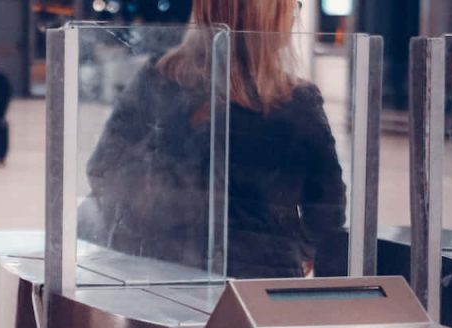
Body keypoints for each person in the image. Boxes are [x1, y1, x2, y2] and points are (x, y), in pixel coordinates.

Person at [82, 0, 346, 279]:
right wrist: (296, 251)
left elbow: (104, 168)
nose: (296, 15)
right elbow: (327, 210)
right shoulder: (294, 101)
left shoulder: (158, 77)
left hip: (160, 272)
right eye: (292, 6)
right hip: (258, 283)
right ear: (268, 20)